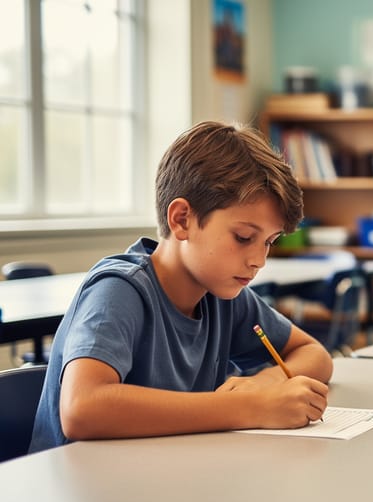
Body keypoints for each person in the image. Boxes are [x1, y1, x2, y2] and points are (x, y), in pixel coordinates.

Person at [30, 121, 333, 452]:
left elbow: (314, 355)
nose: (258, 259)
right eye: (244, 237)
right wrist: (252, 407)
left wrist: (265, 384)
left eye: (269, 242)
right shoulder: (119, 291)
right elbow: (82, 409)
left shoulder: (222, 294)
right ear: (182, 220)